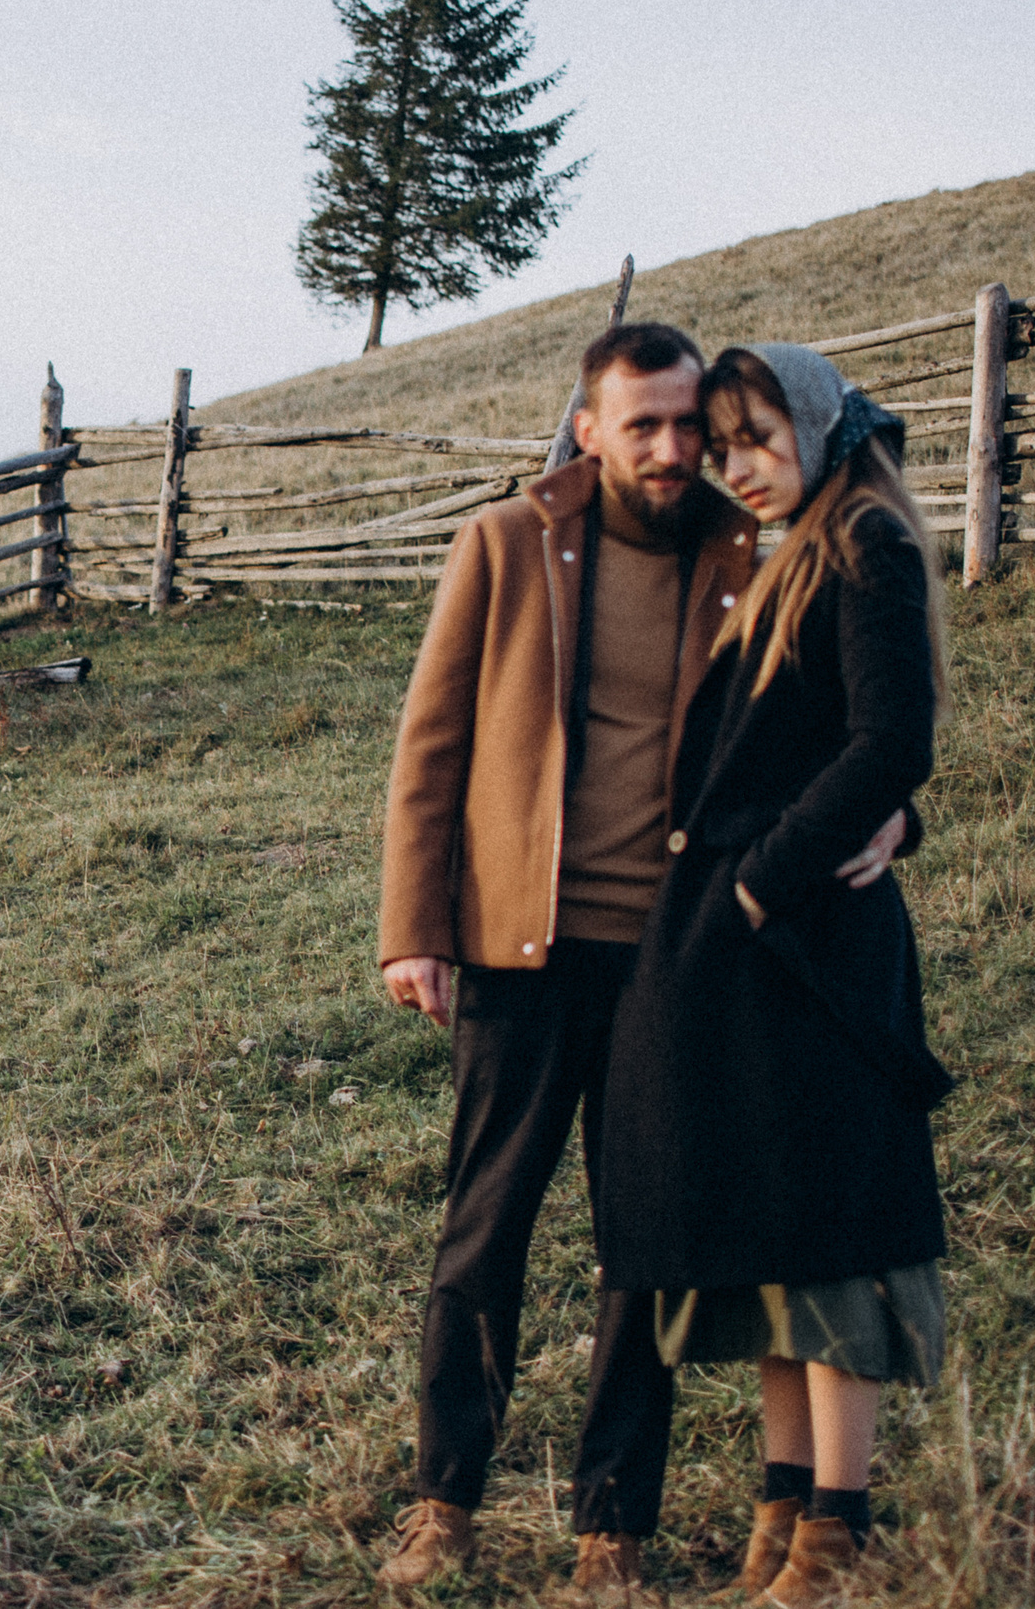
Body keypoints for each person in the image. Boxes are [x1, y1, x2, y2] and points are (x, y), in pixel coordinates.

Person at [374, 324, 910, 1593]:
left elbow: (829, 728)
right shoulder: (506, 544)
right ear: (591, 427)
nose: (674, 449)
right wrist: (412, 924)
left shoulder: (749, 551)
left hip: (671, 964)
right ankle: (441, 1500)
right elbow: (429, 743)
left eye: (690, 425)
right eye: (645, 425)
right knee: (483, 1229)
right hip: (517, 944)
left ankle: (613, 1519)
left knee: (646, 1247)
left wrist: (901, 808)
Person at [593, 343, 954, 1608]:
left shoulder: (864, 545)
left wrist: (762, 881)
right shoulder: (789, 550)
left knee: (830, 1242)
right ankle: (782, 1498)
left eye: (756, 440)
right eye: (723, 443)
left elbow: (888, 742)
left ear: (818, 429)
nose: (732, 468)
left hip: (808, 952)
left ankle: (835, 1528)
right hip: (757, 953)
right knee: (769, 1227)